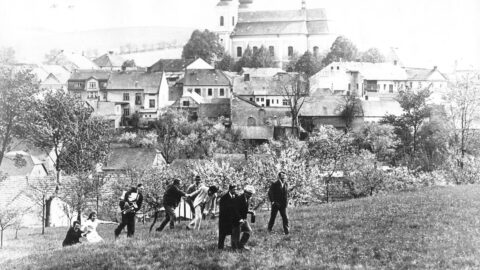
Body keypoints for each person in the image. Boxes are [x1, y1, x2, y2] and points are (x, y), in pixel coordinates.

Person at [232, 185, 256, 250]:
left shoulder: (247, 199)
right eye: (249, 194)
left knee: (248, 231)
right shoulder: (239, 198)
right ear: (245, 192)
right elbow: (235, 210)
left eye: (251, 194)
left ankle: (241, 245)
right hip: (236, 219)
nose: (250, 195)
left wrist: (251, 212)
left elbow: (244, 209)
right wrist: (239, 219)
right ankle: (235, 248)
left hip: (243, 219)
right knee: (236, 235)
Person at [218, 184, 237, 249]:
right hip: (224, 219)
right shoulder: (224, 198)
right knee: (222, 234)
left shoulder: (236, 196)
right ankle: (220, 247)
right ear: (230, 189)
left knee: (233, 232)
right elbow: (223, 209)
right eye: (234, 189)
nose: (235, 190)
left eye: (236, 189)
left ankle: (233, 246)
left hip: (232, 219)